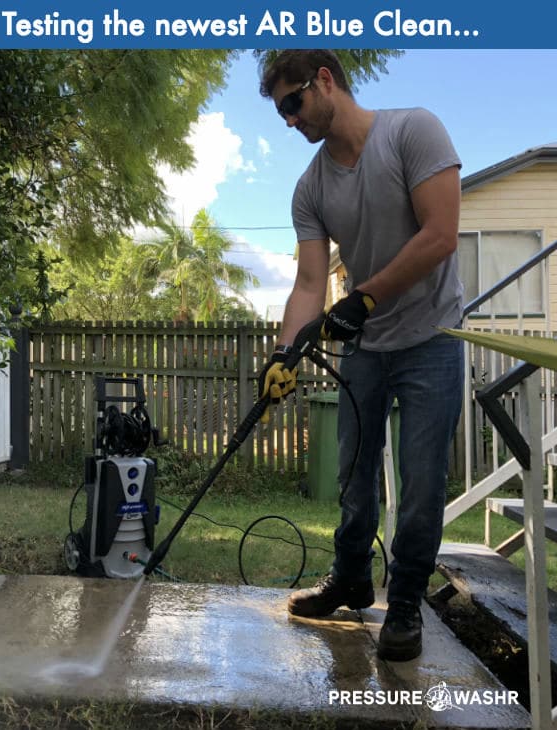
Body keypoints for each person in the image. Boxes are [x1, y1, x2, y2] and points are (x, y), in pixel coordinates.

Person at [257, 50, 464, 662]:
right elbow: (308, 284)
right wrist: (283, 353)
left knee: (423, 481)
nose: (289, 120)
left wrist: (366, 297)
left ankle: (403, 603)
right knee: (353, 474)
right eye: (280, 113)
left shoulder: (412, 131)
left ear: (325, 81)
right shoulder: (310, 188)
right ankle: (351, 578)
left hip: (432, 338)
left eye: (293, 102)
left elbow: (441, 233)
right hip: (368, 348)